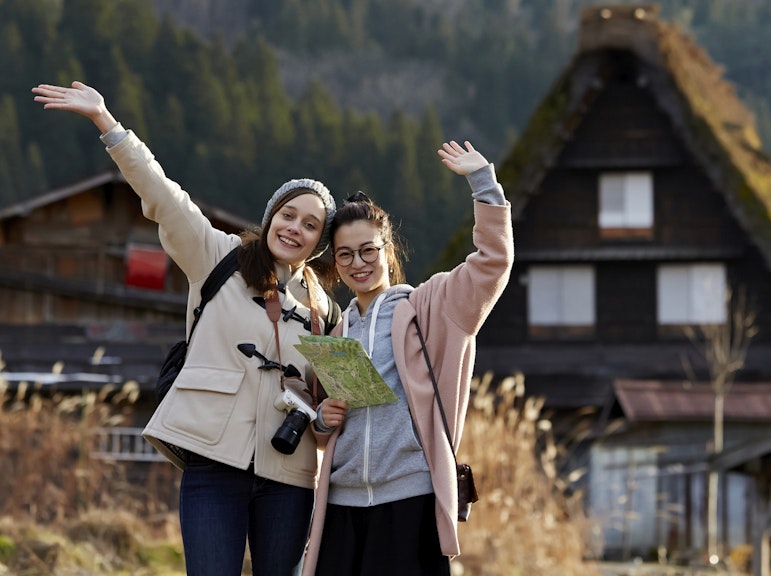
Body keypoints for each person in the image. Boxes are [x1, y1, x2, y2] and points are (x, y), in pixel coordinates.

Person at [32, 81, 340, 576]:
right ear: (271, 217)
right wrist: (107, 124)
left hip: (291, 475)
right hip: (213, 463)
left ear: (318, 242)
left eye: (310, 225)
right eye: (288, 215)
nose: (294, 228)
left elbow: (331, 397)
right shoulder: (216, 255)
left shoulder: (324, 309)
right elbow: (164, 196)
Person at [304, 140, 514, 575]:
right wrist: (322, 420)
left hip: (408, 501)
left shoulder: (431, 307)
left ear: (387, 249)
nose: (358, 263)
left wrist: (483, 183)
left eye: (368, 250)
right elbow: (327, 429)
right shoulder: (337, 331)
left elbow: (493, 263)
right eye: (345, 254)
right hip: (341, 504)